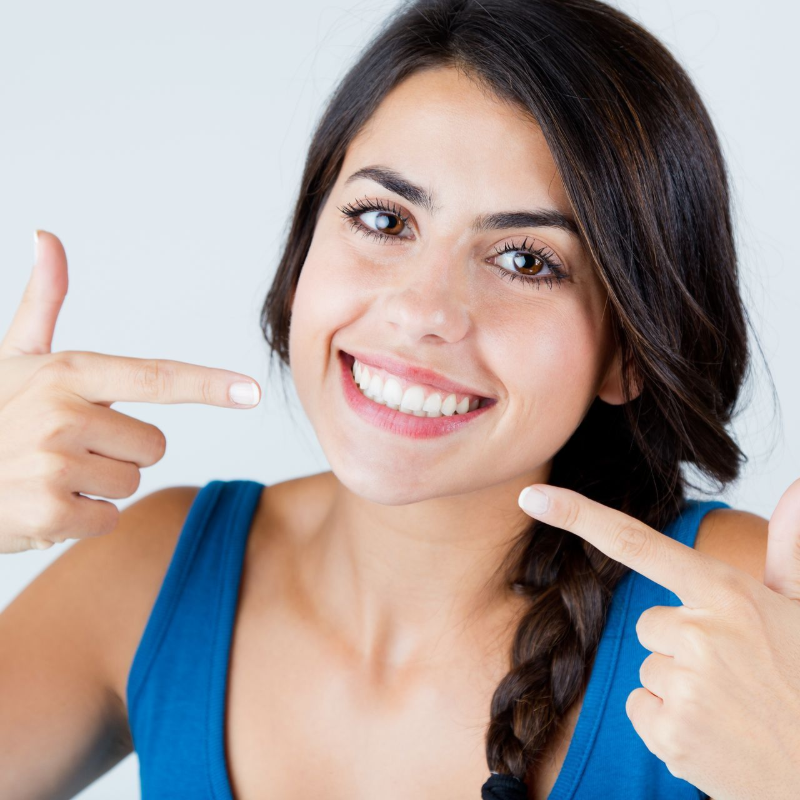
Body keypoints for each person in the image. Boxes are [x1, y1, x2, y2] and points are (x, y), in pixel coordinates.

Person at [0, 0, 794, 798]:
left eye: (525, 261)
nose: (423, 312)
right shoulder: (157, 573)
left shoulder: (742, 611)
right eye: (383, 219)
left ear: (630, 349)